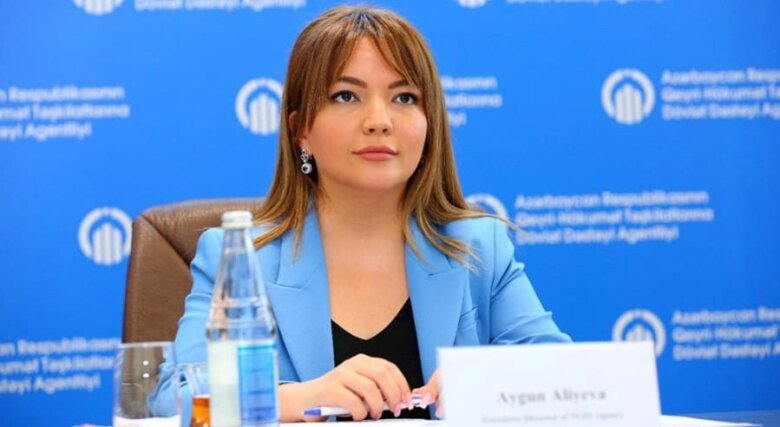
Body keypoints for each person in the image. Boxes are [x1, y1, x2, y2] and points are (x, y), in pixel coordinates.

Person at [173, 5, 571, 423]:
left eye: (404, 98)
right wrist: (304, 399)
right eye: (346, 96)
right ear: (300, 129)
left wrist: (486, 381)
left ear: (429, 123)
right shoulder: (241, 258)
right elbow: (176, 399)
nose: (379, 121)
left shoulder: (478, 249)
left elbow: (563, 376)